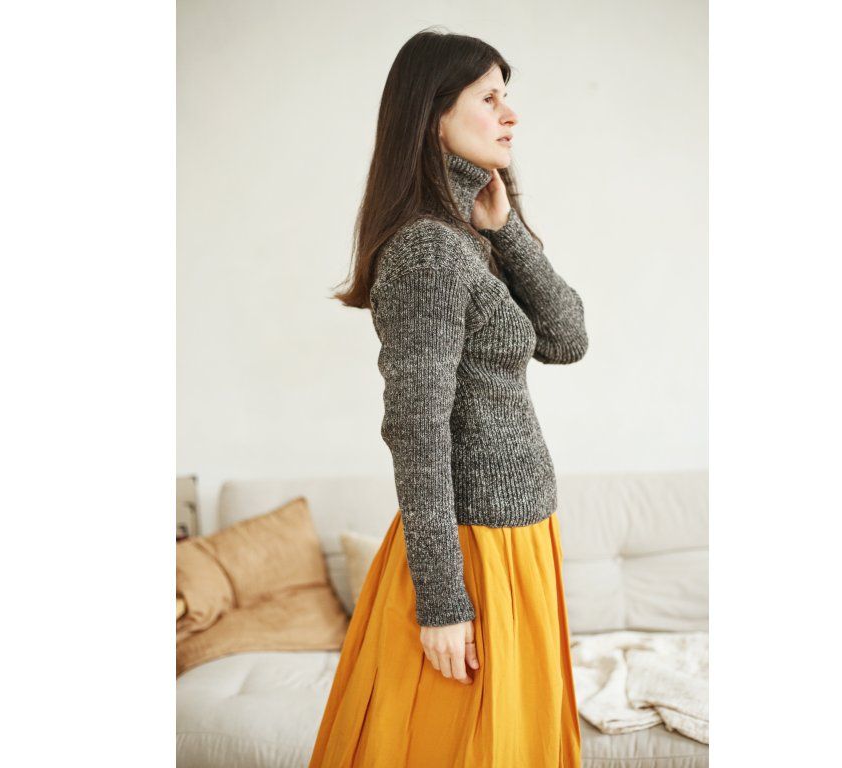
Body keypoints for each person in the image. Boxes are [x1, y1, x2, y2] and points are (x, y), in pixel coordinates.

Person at [310, 27, 587, 767]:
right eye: (489, 98)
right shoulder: (428, 250)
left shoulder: (467, 238)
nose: (510, 115)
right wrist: (441, 604)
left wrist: (508, 230)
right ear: (434, 116)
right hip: (471, 546)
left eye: (507, 97)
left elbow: (566, 337)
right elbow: (418, 432)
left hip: (518, 533)